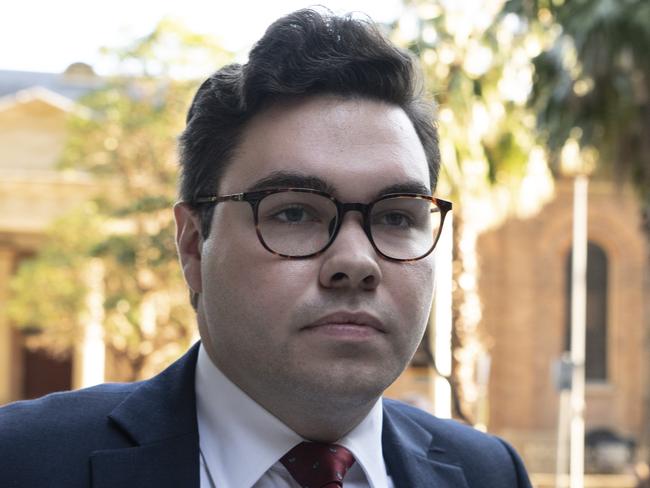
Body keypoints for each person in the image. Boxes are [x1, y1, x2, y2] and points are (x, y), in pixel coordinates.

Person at [0, 8, 533, 488]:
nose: (355, 262)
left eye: (396, 216)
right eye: (295, 212)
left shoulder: (489, 473)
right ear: (192, 246)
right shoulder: (22, 462)